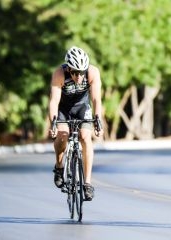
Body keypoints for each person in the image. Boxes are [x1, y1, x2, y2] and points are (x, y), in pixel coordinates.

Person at [48, 46, 103, 201]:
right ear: (69, 68)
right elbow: (54, 101)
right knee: (62, 136)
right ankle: (59, 167)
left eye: (82, 72)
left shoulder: (92, 72)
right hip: (64, 109)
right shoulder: (60, 74)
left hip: (82, 107)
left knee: (85, 137)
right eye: (75, 73)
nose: (79, 76)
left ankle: (87, 183)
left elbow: (96, 99)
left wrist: (98, 120)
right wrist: (53, 123)